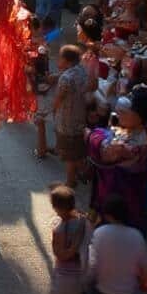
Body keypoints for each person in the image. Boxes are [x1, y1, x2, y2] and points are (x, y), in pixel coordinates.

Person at [87, 85, 147, 236]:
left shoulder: (135, 147)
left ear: (139, 116)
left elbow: (105, 152)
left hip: (123, 191)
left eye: (124, 113)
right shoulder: (135, 130)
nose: (119, 115)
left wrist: (94, 136)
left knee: (121, 224)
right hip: (123, 189)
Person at [86, 194, 147, 294]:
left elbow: (92, 265)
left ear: (108, 215)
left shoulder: (100, 232)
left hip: (102, 291)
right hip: (127, 293)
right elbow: (145, 266)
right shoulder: (136, 235)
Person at [52, 45, 88, 188]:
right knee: (78, 149)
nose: (57, 60)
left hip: (67, 120)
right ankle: (83, 173)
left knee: (70, 154)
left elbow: (58, 99)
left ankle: (70, 181)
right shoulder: (81, 71)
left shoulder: (66, 78)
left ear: (67, 61)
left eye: (59, 58)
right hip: (80, 117)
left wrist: (53, 109)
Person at [48, 185, 90, 294]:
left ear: (57, 208)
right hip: (82, 278)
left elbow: (62, 255)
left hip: (64, 279)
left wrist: (75, 242)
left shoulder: (59, 228)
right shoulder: (84, 222)